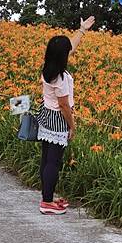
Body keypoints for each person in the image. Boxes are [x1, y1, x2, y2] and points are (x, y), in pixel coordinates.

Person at [37, 16, 95, 215]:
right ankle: (46, 203)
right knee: (53, 162)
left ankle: (48, 196)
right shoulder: (59, 78)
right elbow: (64, 106)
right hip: (57, 119)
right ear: (62, 56)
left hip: (45, 114)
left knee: (46, 159)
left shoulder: (48, 69)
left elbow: (70, 47)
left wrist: (82, 29)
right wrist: (72, 126)